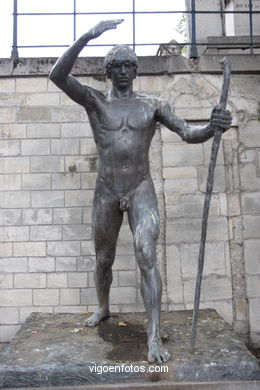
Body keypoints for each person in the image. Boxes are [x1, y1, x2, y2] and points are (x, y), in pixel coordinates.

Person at [49, 19, 232, 364]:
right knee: (104, 259)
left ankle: (153, 336)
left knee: (145, 251)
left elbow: (188, 133)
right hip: (106, 190)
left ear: (135, 70)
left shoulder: (152, 105)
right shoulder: (96, 101)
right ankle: (103, 306)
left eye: (127, 66)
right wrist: (88, 36)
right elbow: (57, 76)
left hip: (140, 189)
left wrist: (212, 126)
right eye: (115, 66)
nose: (122, 71)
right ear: (108, 71)